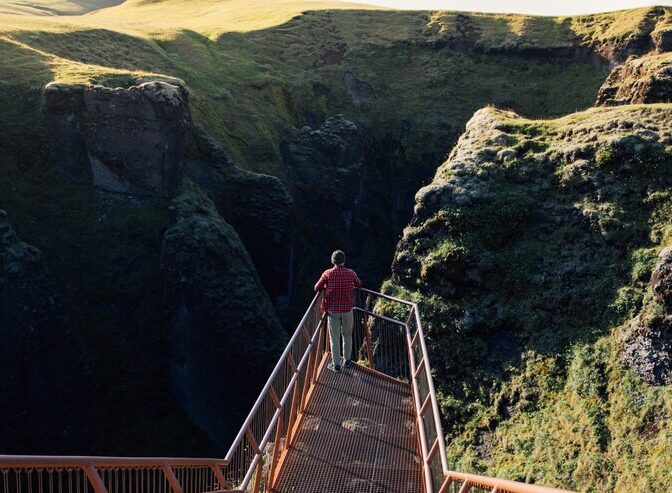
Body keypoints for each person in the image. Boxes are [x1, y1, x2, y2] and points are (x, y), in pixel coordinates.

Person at [314, 250, 362, 373]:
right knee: (347, 335)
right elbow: (359, 284)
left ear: (333, 261)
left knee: (334, 338)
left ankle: (336, 365)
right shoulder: (350, 273)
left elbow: (317, 287)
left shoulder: (328, 274)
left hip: (333, 311)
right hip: (347, 310)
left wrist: (326, 287)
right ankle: (347, 360)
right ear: (344, 260)